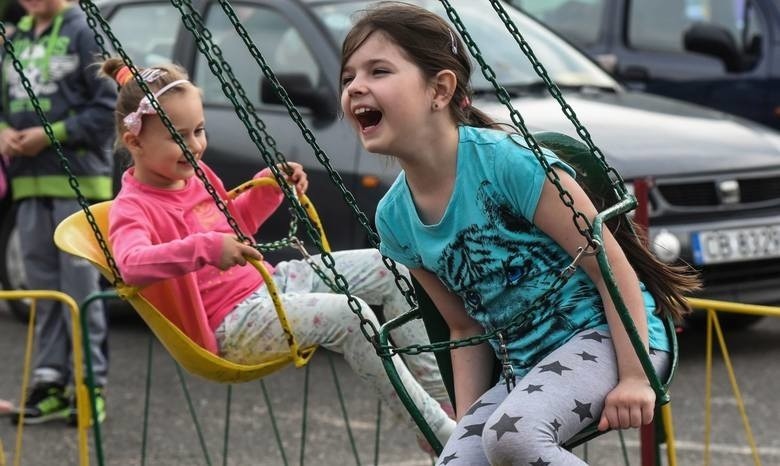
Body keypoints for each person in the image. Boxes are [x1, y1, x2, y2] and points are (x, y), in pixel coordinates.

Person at [339, 3, 700, 465]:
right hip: (527, 366)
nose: (356, 87)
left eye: (378, 70)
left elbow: (608, 264)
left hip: (611, 335)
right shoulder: (395, 218)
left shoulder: (507, 164)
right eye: (348, 77)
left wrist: (635, 377)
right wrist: (468, 427)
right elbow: (464, 326)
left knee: (515, 438)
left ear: (440, 89)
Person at [100, 57, 456, 450]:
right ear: (134, 141)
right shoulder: (132, 208)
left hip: (270, 284)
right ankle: (437, 430)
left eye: (199, 131)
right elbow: (131, 265)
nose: (195, 145)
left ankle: (441, 399)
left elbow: (233, 227)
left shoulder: (195, 176)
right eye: (177, 136)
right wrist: (205, 249)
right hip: (231, 322)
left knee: (390, 267)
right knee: (350, 314)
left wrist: (270, 188)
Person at [0, 0, 115, 425]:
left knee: (81, 293)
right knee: (43, 291)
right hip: (29, 186)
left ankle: (90, 386)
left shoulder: (86, 32)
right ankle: (49, 382)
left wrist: (51, 135)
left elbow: (108, 110)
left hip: (79, 184)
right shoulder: (14, 38)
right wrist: (5, 133)